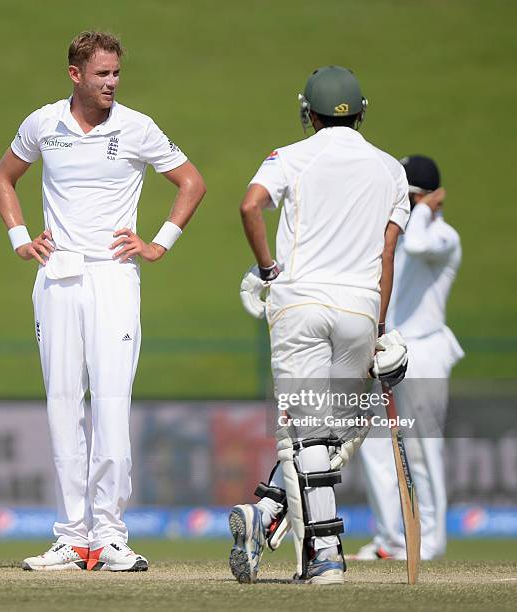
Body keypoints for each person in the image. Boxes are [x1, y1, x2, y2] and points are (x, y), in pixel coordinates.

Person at [0, 31, 205, 571]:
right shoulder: (43, 123)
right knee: (63, 405)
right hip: (57, 276)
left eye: (116, 74)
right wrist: (21, 239)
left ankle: (110, 535)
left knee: (111, 403)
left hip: (113, 278)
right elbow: (4, 178)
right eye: (102, 74)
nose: (111, 83)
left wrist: (158, 244)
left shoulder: (137, 127)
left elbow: (191, 183)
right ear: (75, 74)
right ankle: (71, 537)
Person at [230, 66, 410, 584]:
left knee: (303, 435)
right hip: (359, 307)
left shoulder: (291, 155)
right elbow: (387, 252)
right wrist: (377, 328)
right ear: (361, 112)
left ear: (307, 112)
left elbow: (250, 206)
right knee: (347, 422)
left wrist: (268, 268)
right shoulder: (390, 171)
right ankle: (270, 518)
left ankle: (322, 553)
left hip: (300, 305)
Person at [354, 155, 463, 561]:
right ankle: (390, 538)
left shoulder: (443, 237)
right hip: (392, 352)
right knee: (375, 446)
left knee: (423, 447)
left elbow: (418, 242)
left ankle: (431, 541)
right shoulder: (395, 239)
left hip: (427, 350)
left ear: (423, 198)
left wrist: (423, 209)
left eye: (408, 194)